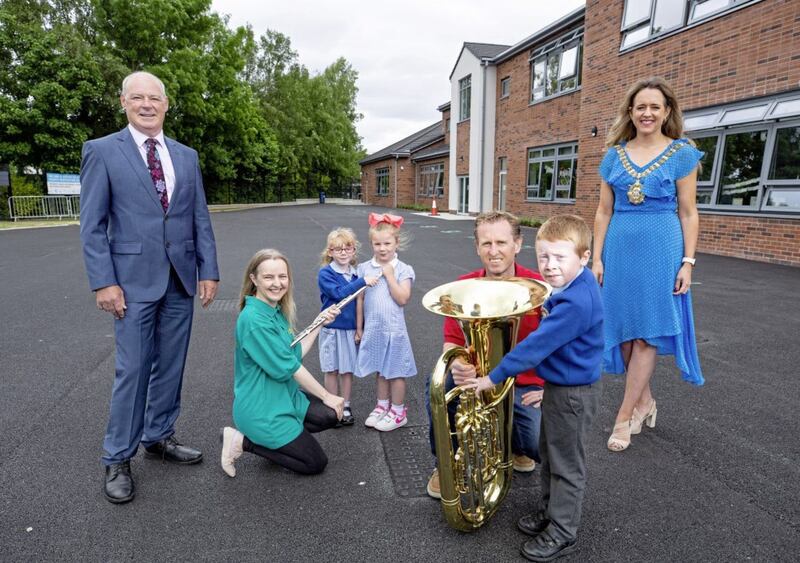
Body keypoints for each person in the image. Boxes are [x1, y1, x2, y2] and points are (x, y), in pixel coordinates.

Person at [79, 71, 219, 504]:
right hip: (131, 283)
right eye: (136, 97)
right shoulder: (102, 151)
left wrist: (208, 270)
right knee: (134, 369)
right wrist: (104, 282)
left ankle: (158, 436)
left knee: (172, 366)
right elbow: (92, 225)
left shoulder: (186, 155)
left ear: (166, 103)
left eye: (153, 98)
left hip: (179, 278)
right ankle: (117, 456)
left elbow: (198, 217)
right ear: (123, 102)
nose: (146, 104)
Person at [465, 214, 603, 562]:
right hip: (560, 387)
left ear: (584, 257)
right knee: (551, 457)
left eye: (560, 257)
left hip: (572, 395)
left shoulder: (576, 301)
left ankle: (563, 531)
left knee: (567, 466)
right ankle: (549, 511)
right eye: (544, 257)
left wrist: (492, 377)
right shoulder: (574, 284)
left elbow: (536, 346)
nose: (550, 266)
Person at [592, 76, 704, 453]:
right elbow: (603, 211)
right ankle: (644, 401)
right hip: (619, 250)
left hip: (662, 249)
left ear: (667, 111)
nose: (647, 113)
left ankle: (624, 416)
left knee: (646, 333)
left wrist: (687, 262)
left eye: (655, 106)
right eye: (641, 106)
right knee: (623, 332)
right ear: (631, 111)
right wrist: (596, 257)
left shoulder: (683, 153)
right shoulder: (613, 155)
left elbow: (689, 213)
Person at [426, 211, 547, 500]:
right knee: (440, 387)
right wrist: (457, 364)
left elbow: (562, 344)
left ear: (518, 244)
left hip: (526, 384)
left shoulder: (540, 288)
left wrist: (551, 388)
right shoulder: (463, 287)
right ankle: (444, 464)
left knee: (535, 444)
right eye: (486, 243)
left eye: (502, 242)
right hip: (478, 378)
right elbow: (450, 343)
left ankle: (516, 447)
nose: (494, 252)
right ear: (477, 247)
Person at [220, 249, 345, 477]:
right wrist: (327, 395)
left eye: (282, 276)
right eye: (269, 277)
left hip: (283, 397)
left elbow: (294, 353)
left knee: (330, 415)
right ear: (253, 279)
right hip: (262, 409)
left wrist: (320, 322)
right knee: (315, 463)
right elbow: (291, 367)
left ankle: (281, 442)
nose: (277, 283)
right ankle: (243, 442)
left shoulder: (273, 310)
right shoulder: (254, 320)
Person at [356, 213, 416, 432]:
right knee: (380, 369)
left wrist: (389, 275)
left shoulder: (403, 269)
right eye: (377, 244)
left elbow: (402, 298)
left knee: (396, 371)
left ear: (396, 243)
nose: (382, 249)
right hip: (374, 329)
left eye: (387, 243)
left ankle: (398, 411)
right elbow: (360, 300)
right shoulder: (364, 268)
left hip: (394, 330)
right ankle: (382, 406)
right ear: (371, 243)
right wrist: (359, 328)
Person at [317, 228, 379, 425]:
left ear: (354, 251)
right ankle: (331, 407)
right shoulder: (326, 273)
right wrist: (362, 282)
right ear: (330, 252)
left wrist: (360, 329)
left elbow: (361, 303)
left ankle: (345, 406)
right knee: (332, 369)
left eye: (348, 248)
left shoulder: (355, 273)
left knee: (346, 371)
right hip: (332, 329)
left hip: (350, 330)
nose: (343, 252)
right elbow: (338, 293)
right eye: (338, 249)